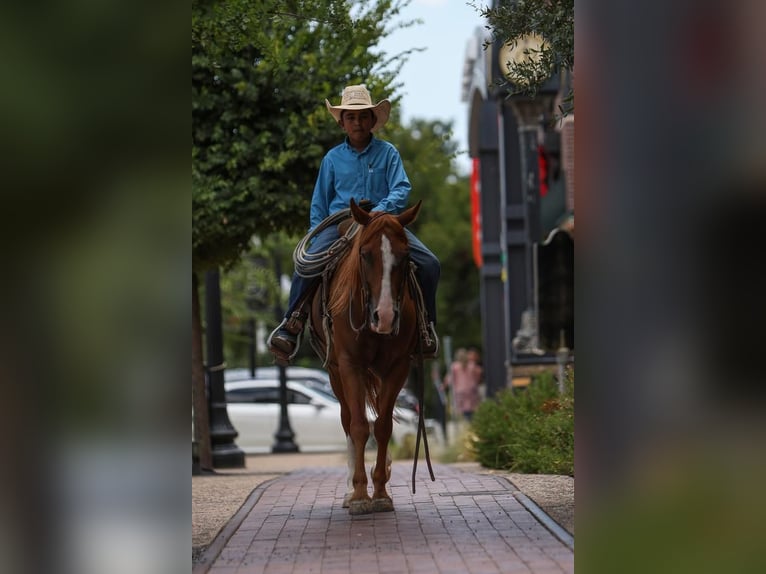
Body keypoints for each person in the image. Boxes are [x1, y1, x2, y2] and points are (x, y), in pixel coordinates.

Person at [268, 84, 440, 363]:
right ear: (342, 122)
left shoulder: (388, 153)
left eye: (362, 116)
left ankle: (425, 327)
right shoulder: (332, 159)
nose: (357, 122)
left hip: (383, 224)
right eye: (351, 117)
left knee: (430, 264)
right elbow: (319, 203)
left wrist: (379, 212)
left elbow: (401, 188)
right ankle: (292, 322)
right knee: (306, 263)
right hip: (341, 225)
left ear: (372, 120)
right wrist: (316, 234)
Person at [443, 347, 483, 422]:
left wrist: (444, 386)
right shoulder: (472, 366)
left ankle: (467, 425)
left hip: (460, 392)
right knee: (471, 411)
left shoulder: (455, 367)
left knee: (464, 413)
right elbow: (479, 375)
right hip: (471, 392)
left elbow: (449, 378)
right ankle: (470, 424)